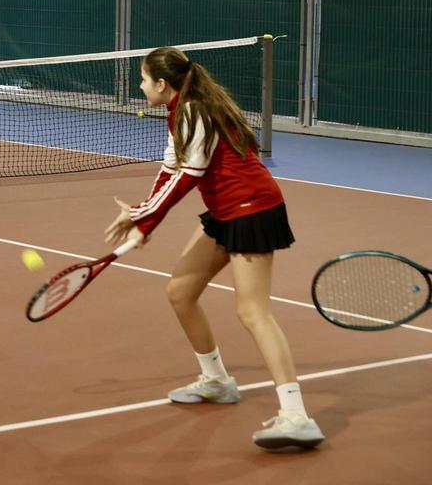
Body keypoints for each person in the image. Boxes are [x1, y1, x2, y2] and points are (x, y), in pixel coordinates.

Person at [104, 46, 323, 451]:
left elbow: (189, 175)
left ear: (162, 84)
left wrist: (141, 215)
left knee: (253, 312)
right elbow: (170, 170)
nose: (140, 86)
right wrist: (144, 221)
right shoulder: (180, 112)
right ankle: (217, 381)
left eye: (143, 79)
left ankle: (297, 416)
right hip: (226, 210)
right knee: (180, 291)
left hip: (252, 210)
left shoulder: (194, 111)